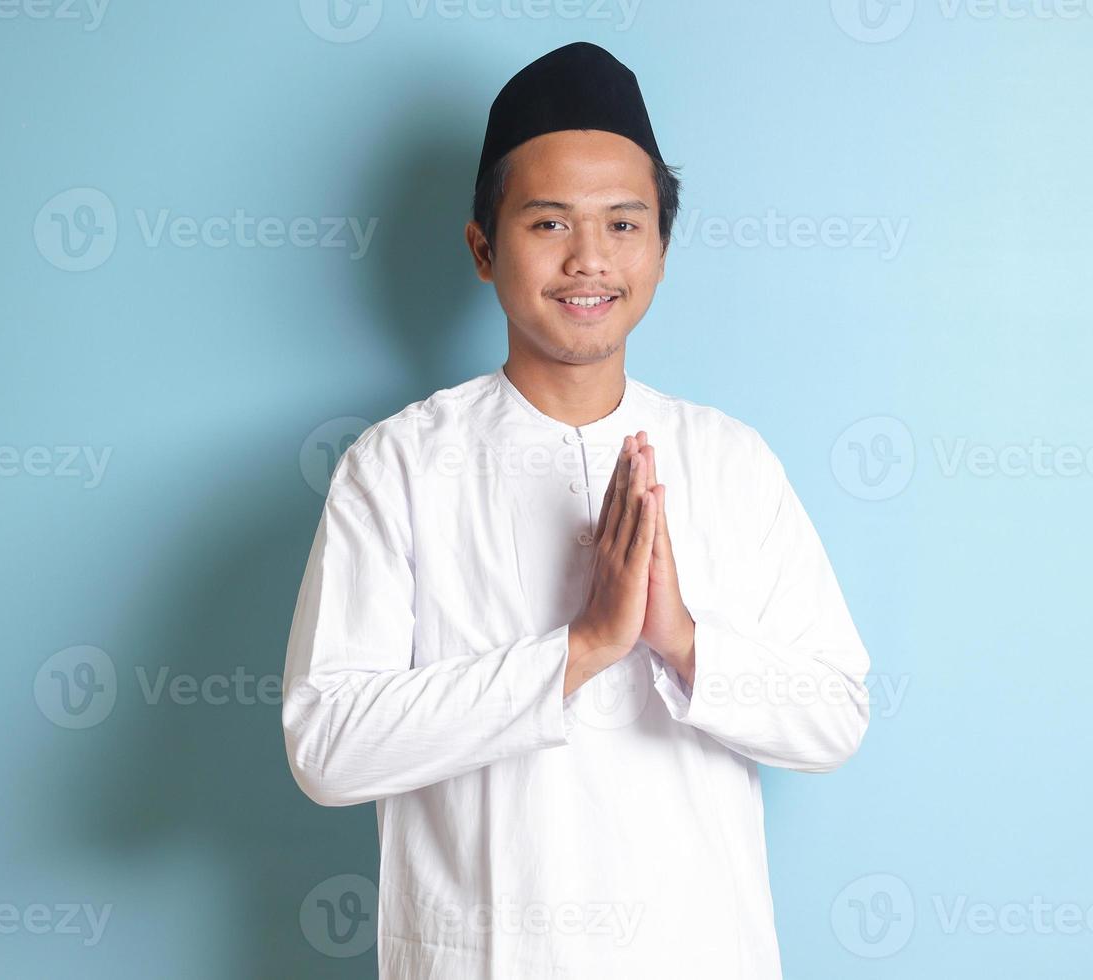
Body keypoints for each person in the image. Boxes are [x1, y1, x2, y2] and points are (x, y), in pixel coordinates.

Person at [282, 40, 871, 980]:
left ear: (662, 251)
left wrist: (681, 640)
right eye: (549, 223)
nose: (589, 258)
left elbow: (835, 716)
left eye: (624, 225)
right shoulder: (397, 466)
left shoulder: (730, 461)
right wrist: (581, 649)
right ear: (484, 247)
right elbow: (329, 745)